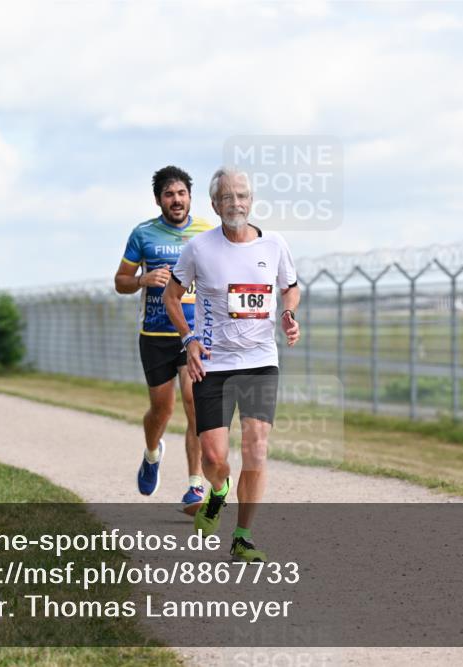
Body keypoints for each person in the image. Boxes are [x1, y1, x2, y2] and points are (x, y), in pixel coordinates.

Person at [164, 166, 300, 563]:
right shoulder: (199, 249)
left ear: (251, 201)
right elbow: (173, 297)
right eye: (227, 197)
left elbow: (290, 288)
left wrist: (289, 314)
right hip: (213, 363)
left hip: (260, 361)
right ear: (215, 204)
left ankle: (243, 536)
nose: (236, 203)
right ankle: (218, 491)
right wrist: (188, 340)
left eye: (242, 196)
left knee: (257, 447)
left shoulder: (274, 244)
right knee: (213, 457)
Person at [114, 166, 213, 511]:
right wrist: (143, 280)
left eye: (182, 193)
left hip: (193, 335)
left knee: (193, 401)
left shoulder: (207, 233)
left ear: (190, 197)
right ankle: (152, 453)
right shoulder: (143, 234)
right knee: (162, 410)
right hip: (155, 335)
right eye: (169, 194)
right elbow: (120, 281)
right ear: (159, 200)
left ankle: (195, 485)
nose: (176, 200)